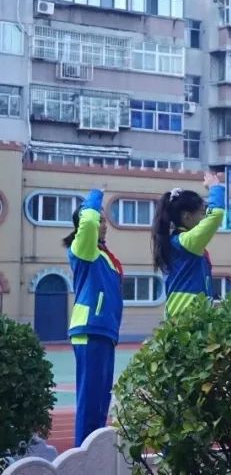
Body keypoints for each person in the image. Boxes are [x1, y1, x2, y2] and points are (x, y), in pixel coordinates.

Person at [64, 187, 123, 445]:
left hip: (104, 331)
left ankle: (93, 453)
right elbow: (86, 222)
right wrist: (95, 195)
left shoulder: (104, 256)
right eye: (99, 220)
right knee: (90, 401)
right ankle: (82, 458)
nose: (103, 224)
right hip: (90, 329)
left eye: (104, 220)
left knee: (100, 401)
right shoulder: (83, 248)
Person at [152, 172, 225, 316]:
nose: (205, 217)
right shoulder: (186, 243)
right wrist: (215, 188)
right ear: (187, 217)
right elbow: (216, 215)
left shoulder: (178, 243)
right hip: (186, 317)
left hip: (183, 316)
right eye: (202, 213)